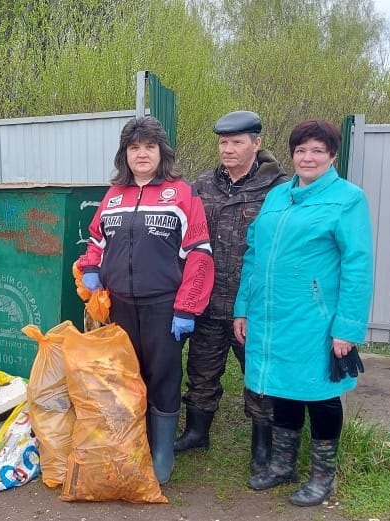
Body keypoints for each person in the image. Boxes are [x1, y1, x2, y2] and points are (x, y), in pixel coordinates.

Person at [234, 119, 374, 506]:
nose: (307, 157)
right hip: (272, 315)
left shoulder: (348, 199)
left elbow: (358, 266)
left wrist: (347, 328)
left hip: (317, 319)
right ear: (292, 154)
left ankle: (322, 475)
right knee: (283, 387)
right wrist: (243, 307)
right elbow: (254, 253)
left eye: (317, 150)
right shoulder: (278, 195)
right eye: (300, 150)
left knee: (321, 395)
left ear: (332, 155)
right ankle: (283, 466)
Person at [76, 116, 215, 484]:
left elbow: (199, 254)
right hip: (119, 304)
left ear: (161, 152)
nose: (142, 154)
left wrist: (187, 307)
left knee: (164, 376)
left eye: (149, 147)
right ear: (125, 154)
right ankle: (131, 443)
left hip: (164, 306)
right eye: (134, 147)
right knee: (126, 376)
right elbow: (96, 240)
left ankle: (162, 452)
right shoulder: (114, 195)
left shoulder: (182, 193)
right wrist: (91, 268)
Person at [174, 111, 289, 475]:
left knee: (260, 377)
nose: (228, 149)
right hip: (207, 301)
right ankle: (196, 433)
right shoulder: (203, 185)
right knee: (201, 372)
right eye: (224, 142)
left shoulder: (279, 189)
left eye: (238, 142)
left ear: (257, 144)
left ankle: (263, 449)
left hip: (253, 306)